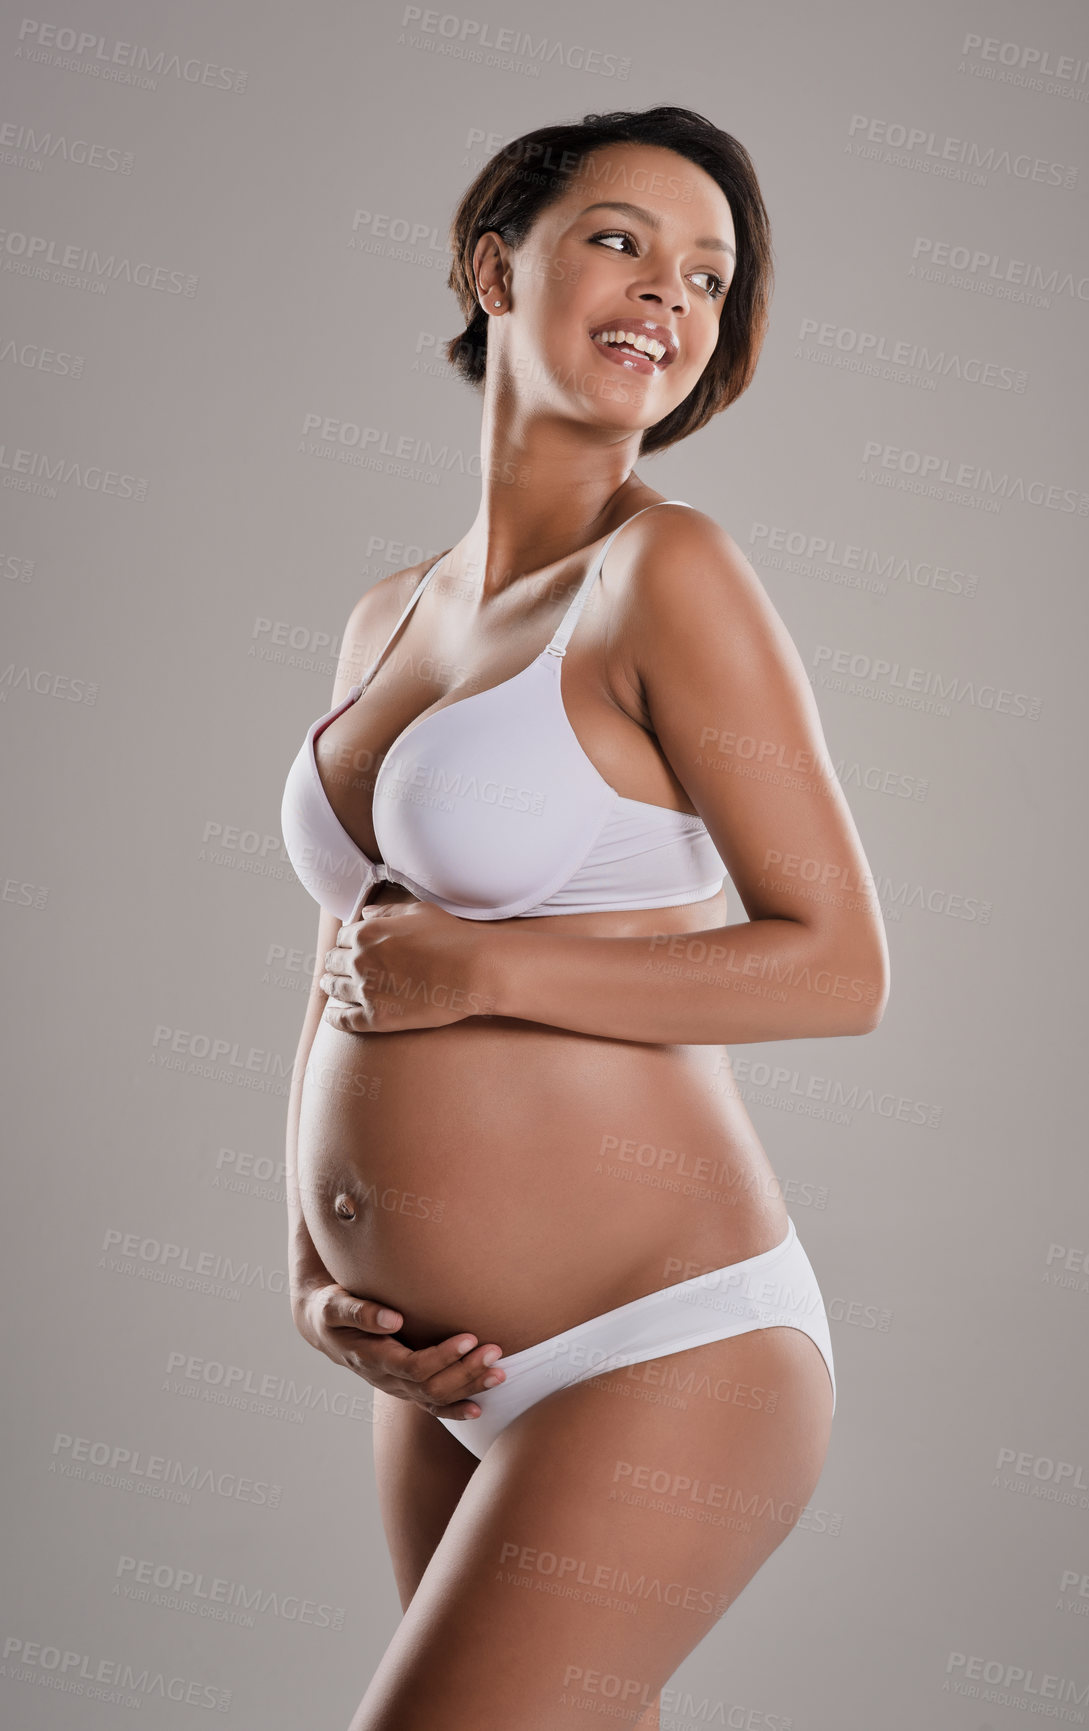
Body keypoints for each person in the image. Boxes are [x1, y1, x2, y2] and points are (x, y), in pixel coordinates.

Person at [280, 104, 889, 1730]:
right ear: (496, 266)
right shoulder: (386, 613)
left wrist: (484, 968)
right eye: (621, 240)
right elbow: (350, 957)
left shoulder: (667, 575)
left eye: (709, 275)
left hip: (662, 1348)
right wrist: (306, 1266)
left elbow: (838, 968)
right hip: (443, 1374)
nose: (667, 297)